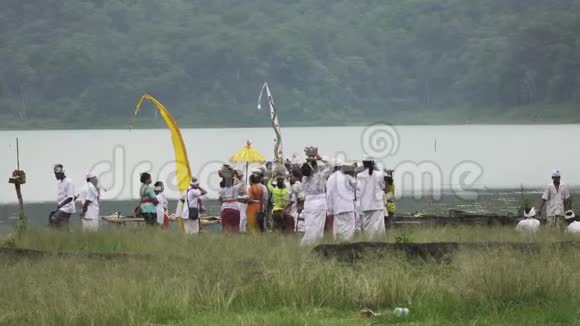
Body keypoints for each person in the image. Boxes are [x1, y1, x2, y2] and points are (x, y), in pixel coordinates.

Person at [300, 157, 331, 246]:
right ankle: (313, 246)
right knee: (317, 228)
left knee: (309, 227)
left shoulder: (304, 179)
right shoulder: (319, 176)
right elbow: (331, 165)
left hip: (308, 204)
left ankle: (305, 245)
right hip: (319, 203)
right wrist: (320, 157)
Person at [326, 160, 357, 241]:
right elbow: (356, 187)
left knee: (339, 232)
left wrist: (330, 211)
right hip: (349, 207)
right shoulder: (347, 176)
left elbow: (328, 195)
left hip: (337, 208)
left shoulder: (330, 178)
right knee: (350, 231)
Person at [357, 158, 387, 238]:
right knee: (379, 228)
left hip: (365, 204)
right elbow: (382, 186)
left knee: (368, 229)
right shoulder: (379, 174)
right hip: (377, 204)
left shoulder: (359, 176)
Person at [219, 166, 244, 233]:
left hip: (225, 210)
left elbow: (220, 201)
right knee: (235, 229)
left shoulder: (221, 191)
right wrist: (238, 176)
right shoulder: (235, 188)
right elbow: (242, 183)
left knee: (225, 230)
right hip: (235, 209)